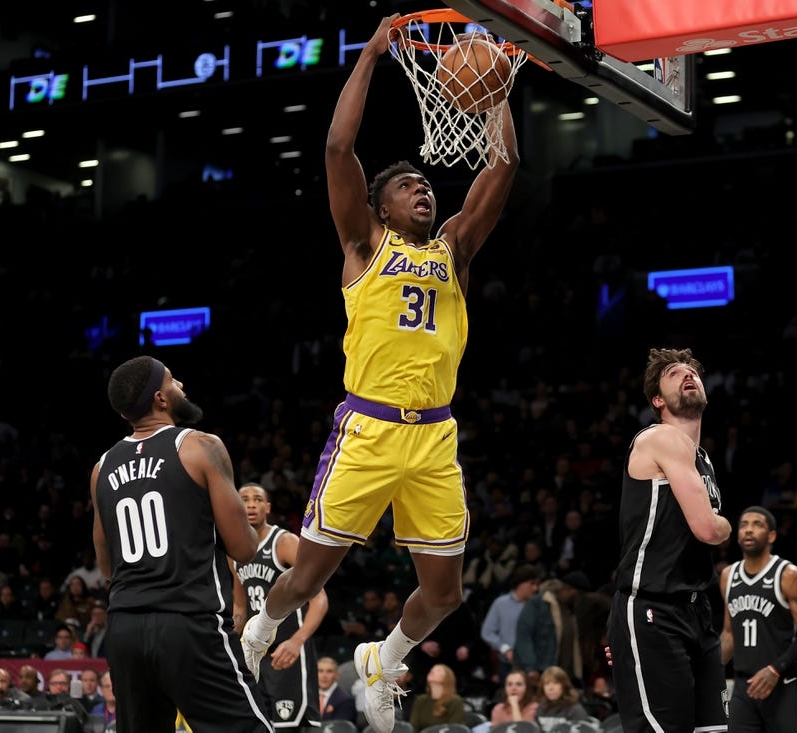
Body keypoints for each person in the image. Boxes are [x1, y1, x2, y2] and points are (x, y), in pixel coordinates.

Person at [240, 13, 519, 733]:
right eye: (409, 187)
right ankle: (262, 627)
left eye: (428, 185)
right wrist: (370, 52)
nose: (423, 191)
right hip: (367, 426)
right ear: (381, 206)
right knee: (309, 577)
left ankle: (384, 658)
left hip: (433, 437)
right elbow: (338, 144)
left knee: (447, 591)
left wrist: (493, 86)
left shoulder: (454, 247)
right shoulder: (364, 243)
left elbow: (505, 168)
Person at [91, 355, 272, 732]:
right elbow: (244, 549)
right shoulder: (199, 446)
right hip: (188, 622)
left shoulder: (102, 467)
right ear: (160, 398)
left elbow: (107, 568)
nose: (181, 387)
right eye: (174, 382)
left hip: (124, 627)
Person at [605, 347, 732, 733]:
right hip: (652, 609)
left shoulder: (703, 458)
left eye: (692, 372)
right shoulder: (660, 437)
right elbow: (710, 530)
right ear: (658, 400)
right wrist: (725, 523)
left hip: (695, 610)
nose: (688, 375)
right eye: (675, 374)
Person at [234, 482, 330, 729]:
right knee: (259, 724)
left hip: (287, 649)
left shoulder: (284, 541)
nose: (251, 504)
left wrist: (297, 641)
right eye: (244, 499)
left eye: (257, 499)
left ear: (268, 507)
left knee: (293, 726)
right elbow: (239, 609)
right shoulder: (233, 550)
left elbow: (319, 597)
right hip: (255, 652)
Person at [719, 505, 797, 733]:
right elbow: (729, 634)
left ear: (772, 535)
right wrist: (709, 670)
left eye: (757, 525)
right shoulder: (728, 576)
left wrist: (774, 669)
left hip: (785, 683)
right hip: (745, 685)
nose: (749, 530)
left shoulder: (790, 576)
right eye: (744, 525)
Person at [480, 564, 541, 684]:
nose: (535, 588)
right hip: (508, 666)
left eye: (537, 584)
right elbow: (487, 632)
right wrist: (505, 648)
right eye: (532, 583)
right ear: (520, 583)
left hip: (534, 667)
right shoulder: (501, 604)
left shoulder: (539, 606)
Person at [409, 663, 466, 730]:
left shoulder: (455, 701)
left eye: (438, 670)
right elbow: (413, 727)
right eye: (432, 669)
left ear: (447, 678)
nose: (432, 671)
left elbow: (455, 729)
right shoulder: (421, 700)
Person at [535, 665, 588, 731]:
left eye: (555, 683)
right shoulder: (540, 708)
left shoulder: (575, 710)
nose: (550, 688)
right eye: (546, 683)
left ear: (564, 685)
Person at [318, 656, 357, 723]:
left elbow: (340, 728)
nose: (324, 676)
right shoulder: (307, 697)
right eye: (320, 671)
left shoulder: (345, 700)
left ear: (337, 675)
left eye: (329, 671)